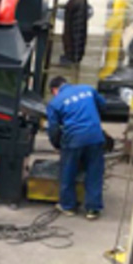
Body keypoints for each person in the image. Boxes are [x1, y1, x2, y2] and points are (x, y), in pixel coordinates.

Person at [47, 76, 107, 219]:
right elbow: (103, 105)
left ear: (54, 90)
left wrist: (57, 144)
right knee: (94, 172)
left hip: (73, 139)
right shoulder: (87, 89)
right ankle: (93, 209)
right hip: (95, 136)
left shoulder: (55, 102)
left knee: (68, 171)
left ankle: (68, 206)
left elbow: (53, 128)